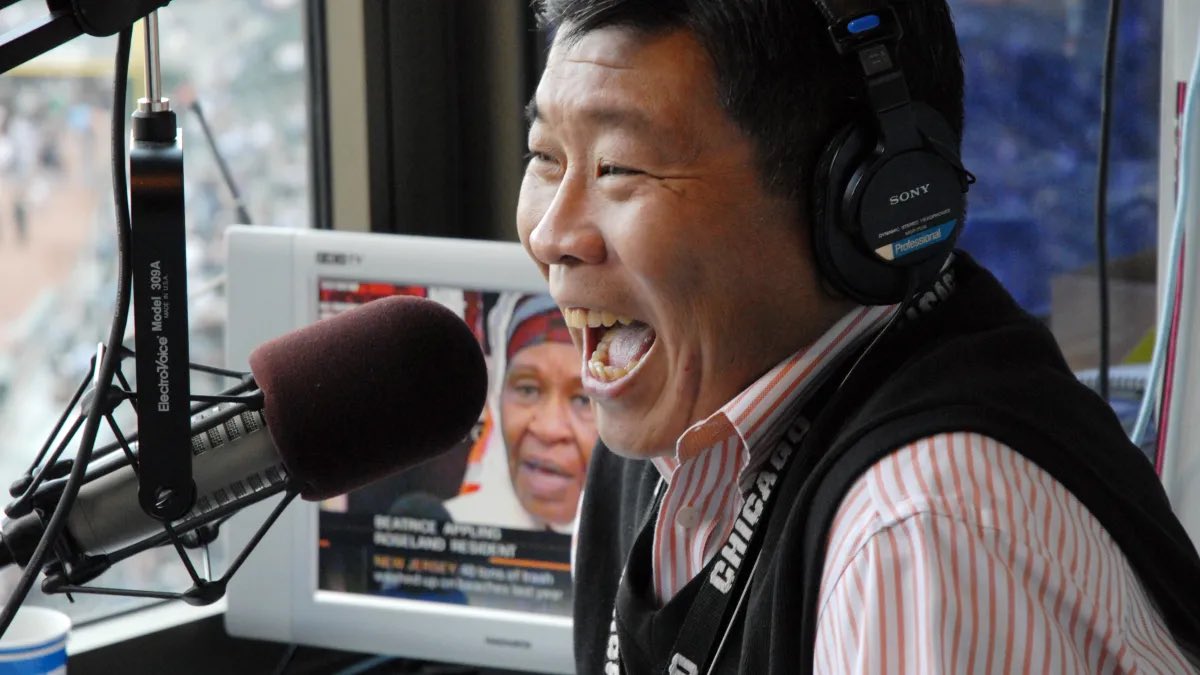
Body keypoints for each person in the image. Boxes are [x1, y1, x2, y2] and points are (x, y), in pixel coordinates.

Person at [514, 1, 1200, 673]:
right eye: (545, 155)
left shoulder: (916, 538)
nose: (551, 236)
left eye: (619, 168)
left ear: (862, 200)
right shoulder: (659, 451)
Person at [446, 293, 597, 531]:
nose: (549, 429)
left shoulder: (656, 557)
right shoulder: (450, 533)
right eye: (527, 389)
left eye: (583, 399)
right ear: (497, 399)